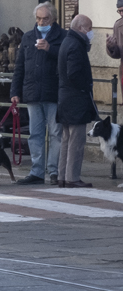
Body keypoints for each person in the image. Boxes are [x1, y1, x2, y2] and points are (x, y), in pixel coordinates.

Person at [11, 2, 65, 185]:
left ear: (53, 19)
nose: (42, 22)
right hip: (33, 92)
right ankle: (37, 172)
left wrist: (50, 49)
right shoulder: (27, 37)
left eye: (46, 18)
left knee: (56, 133)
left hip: (54, 92)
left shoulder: (62, 36)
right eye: (39, 18)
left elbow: (68, 59)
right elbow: (19, 67)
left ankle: (54, 171)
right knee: (35, 134)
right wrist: (15, 92)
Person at [56, 14, 97, 188]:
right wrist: (86, 85)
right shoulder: (76, 45)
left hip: (65, 98)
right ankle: (72, 177)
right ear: (80, 28)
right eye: (89, 28)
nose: (91, 32)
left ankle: (62, 176)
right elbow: (74, 73)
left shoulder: (67, 41)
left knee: (66, 139)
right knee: (76, 141)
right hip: (76, 98)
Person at [105, 0, 123, 100]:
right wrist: (111, 47)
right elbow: (117, 54)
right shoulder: (118, 25)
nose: (121, 14)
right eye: (119, 11)